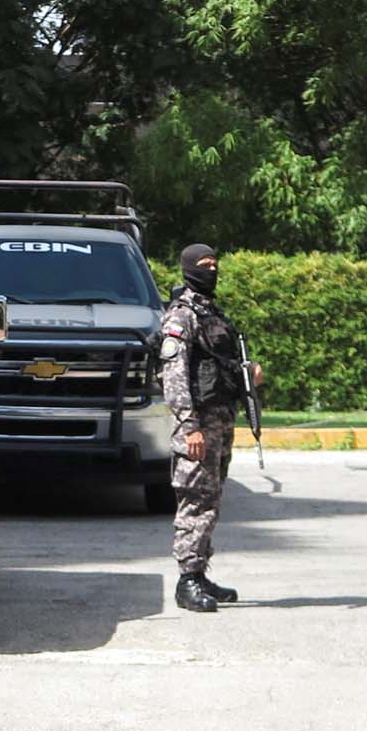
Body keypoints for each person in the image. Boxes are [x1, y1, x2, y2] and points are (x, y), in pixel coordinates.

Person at [159, 243, 264, 613]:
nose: (212, 270)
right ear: (188, 268)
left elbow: (220, 363)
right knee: (195, 502)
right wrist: (190, 426)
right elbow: (173, 376)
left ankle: (200, 573)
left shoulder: (211, 313)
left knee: (211, 501)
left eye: (215, 264)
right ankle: (187, 580)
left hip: (220, 423)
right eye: (204, 265)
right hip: (198, 427)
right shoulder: (181, 317)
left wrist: (246, 373)